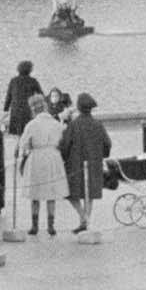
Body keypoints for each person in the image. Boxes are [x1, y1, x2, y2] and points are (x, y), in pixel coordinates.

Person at [59, 92, 111, 234]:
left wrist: (63, 157)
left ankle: (83, 218)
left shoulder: (73, 125)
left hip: (74, 165)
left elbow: (64, 145)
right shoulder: (98, 125)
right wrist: (102, 155)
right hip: (94, 164)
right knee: (90, 194)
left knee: (70, 194)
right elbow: (107, 144)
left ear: (79, 108)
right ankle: (86, 220)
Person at [19, 94, 68, 237]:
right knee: (50, 193)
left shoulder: (31, 125)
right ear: (45, 106)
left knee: (35, 193)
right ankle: (50, 226)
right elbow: (62, 141)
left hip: (36, 157)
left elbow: (24, 144)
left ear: (33, 109)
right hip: (53, 157)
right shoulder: (56, 124)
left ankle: (34, 226)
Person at [1, 59, 45, 137]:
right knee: (27, 131)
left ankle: (19, 147)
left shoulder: (13, 81)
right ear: (30, 70)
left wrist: (5, 109)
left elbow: (9, 96)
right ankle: (22, 147)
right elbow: (41, 95)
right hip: (27, 109)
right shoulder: (33, 81)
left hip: (15, 109)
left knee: (18, 133)